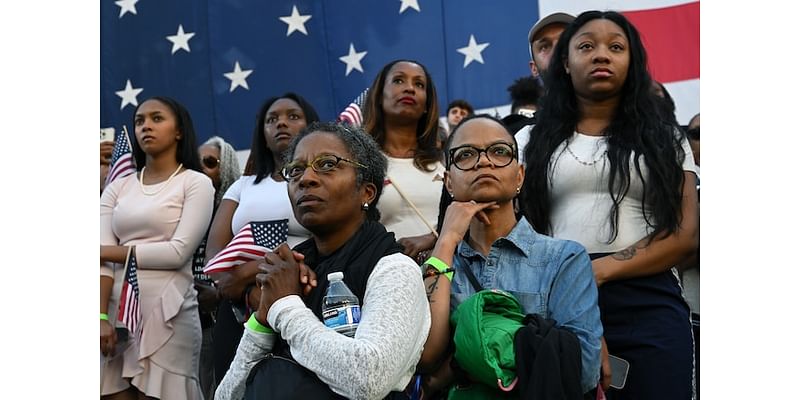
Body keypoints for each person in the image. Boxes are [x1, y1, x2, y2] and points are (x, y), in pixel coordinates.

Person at [519, 11, 699, 399]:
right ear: (565, 63)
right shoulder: (528, 141)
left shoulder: (667, 138)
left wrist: (596, 271)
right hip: (556, 301)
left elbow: (686, 235)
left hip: (649, 303)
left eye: (616, 47)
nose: (602, 55)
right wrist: (576, 285)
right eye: (586, 46)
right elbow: (517, 232)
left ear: (632, 61)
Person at [215, 122, 431, 400]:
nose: (306, 178)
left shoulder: (394, 269)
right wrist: (262, 319)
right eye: (295, 170)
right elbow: (226, 396)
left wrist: (285, 308)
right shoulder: (292, 271)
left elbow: (368, 380)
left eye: (327, 164)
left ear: (367, 192)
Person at [418, 115, 602, 398]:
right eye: (466, 154)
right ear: (449, 182)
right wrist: (445, 241)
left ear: (519, 176)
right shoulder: (435, 263)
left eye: (499, 152)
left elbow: (584, 370)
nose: (484, 161)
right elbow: (426, 359)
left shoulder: (564, 258)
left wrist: (457, 364)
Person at [100, 96, 215, 399]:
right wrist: (98, 317)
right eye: (139, 121)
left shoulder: (196, 183)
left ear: (179, 131)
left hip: (169, 313)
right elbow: (99, 262)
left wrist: (105, 252)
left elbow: (177, 253)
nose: (146, 126)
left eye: (156, 118)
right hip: (115, 312)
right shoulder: (118, 186)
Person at [204, 93, 319, 386]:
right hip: (240, 307)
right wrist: (245, 289)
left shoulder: (318, 182)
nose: (281, 122)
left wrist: (247, 270)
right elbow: (216, 258)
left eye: (293, 116)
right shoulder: (242, 186)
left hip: (308, 298)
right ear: (263, 135)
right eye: (272, 119)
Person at [362, 59, 446, 263]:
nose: (409, 88)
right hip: (383, 272)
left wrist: (431, 239)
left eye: (419, 84)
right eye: (399, 80)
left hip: (448, 273)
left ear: (427, 104)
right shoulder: (358, 161)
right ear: (379, 96)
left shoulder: (448, 157)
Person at [193, 135, 242, 400]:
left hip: (223, 312)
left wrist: (218, 294)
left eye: (210, 162)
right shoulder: (184, 205)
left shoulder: (236, 210)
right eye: (197, 162)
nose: (201, 168)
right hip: (186, 314)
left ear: (227, 169)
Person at [516, 11, 576, 162]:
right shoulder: (524, 140)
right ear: (533, 68)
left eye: (566, 41)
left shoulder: (632, 120)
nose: (557, 50)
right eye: (545, 46)